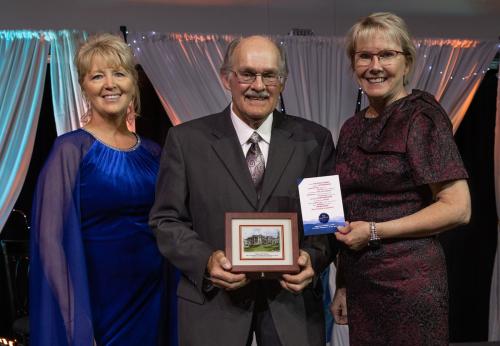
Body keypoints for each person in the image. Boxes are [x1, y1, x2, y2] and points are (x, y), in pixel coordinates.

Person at [150, 35, 336, 346]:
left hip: (292, 307)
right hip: (213, 306)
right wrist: (207, 261)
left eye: (269, 75)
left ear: (283, 81)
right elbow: (166, 221)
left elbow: (326, 222)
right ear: (227, 78)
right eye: (247, 74)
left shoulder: (316, 140)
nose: (259, 85)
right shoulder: (186, 140)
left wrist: (312, 259)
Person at [331, 12, 471, 346]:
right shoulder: (351, 128)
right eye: (364, 56)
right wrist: (343, 285)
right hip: (362, 283)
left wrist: (375, 231)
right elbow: (351, 206)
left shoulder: (422, 117)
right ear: (354, 65)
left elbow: (458, 208)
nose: (374, 65)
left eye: (387, 55)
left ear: (407, 62)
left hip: (411, 283)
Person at [30, 34, 165, 346]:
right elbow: (49, 242)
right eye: (97, 76)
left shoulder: (155, 152)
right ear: (83, 85)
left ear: (133, 81)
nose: (110, 84)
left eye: (119, 73)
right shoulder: (70, 149)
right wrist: (75, 320)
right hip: (97, 299)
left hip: (152, 295)